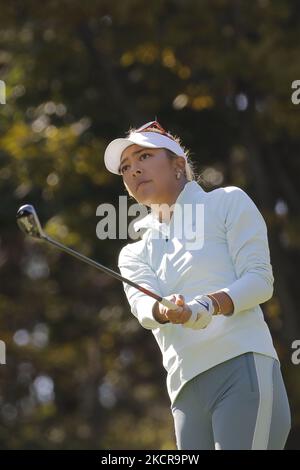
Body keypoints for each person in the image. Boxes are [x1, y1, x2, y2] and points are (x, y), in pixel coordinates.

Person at [103, 120, 291, 450]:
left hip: (241, 368)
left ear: (178, 165)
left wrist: (207, 304)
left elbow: (259, 281)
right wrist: (165, 309)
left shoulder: (226, 203)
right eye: (125, 167)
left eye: (144, 157)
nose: (133, 170)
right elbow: (144, 309)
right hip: (185, 391)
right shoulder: (134, 252)